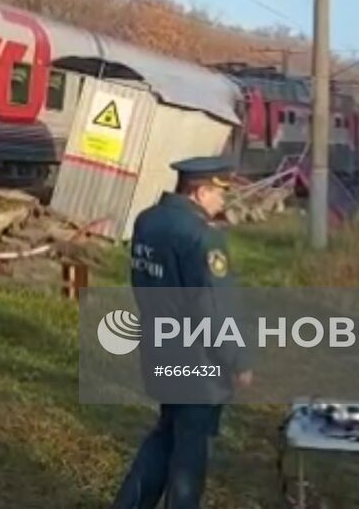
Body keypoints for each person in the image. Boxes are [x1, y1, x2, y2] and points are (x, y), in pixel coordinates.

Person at [113, 156, 253, 509]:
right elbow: (215, 307)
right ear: (201, 191)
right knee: (190, 452)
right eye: (220, 193)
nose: (223, 201)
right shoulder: (202, 235)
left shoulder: (148, 221)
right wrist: (237, 360)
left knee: (166, 433)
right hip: (197, 358)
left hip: (159, 346)